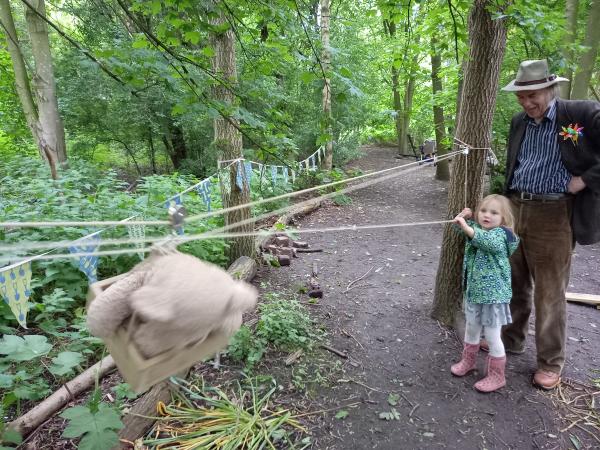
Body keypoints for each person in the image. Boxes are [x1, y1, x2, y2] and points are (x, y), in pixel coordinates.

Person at [499, 59, 600, 390]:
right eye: (521, 97)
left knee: (549, 293)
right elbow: (516, 164)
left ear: (550, 89)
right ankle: (511, 339)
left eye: (533, 95)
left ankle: (549, 362)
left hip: (554, 215)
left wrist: (585, 179)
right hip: (515, 210)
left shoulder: (577, 116)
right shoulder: (519, 122)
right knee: (513, 283)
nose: (527, 103)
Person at [450, 195, 520, 393]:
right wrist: (463, 218)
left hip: (493, 298)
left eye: (494, 212)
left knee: (492, 336)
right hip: (475, 294)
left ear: (504, 219)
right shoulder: (478, 230)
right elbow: (462, 229)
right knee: (471, 329)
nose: (487, 215)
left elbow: (484, 241)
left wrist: (467, 226)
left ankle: (497, 376)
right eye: (483, 211)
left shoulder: (501, 236)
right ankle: (468, 361)